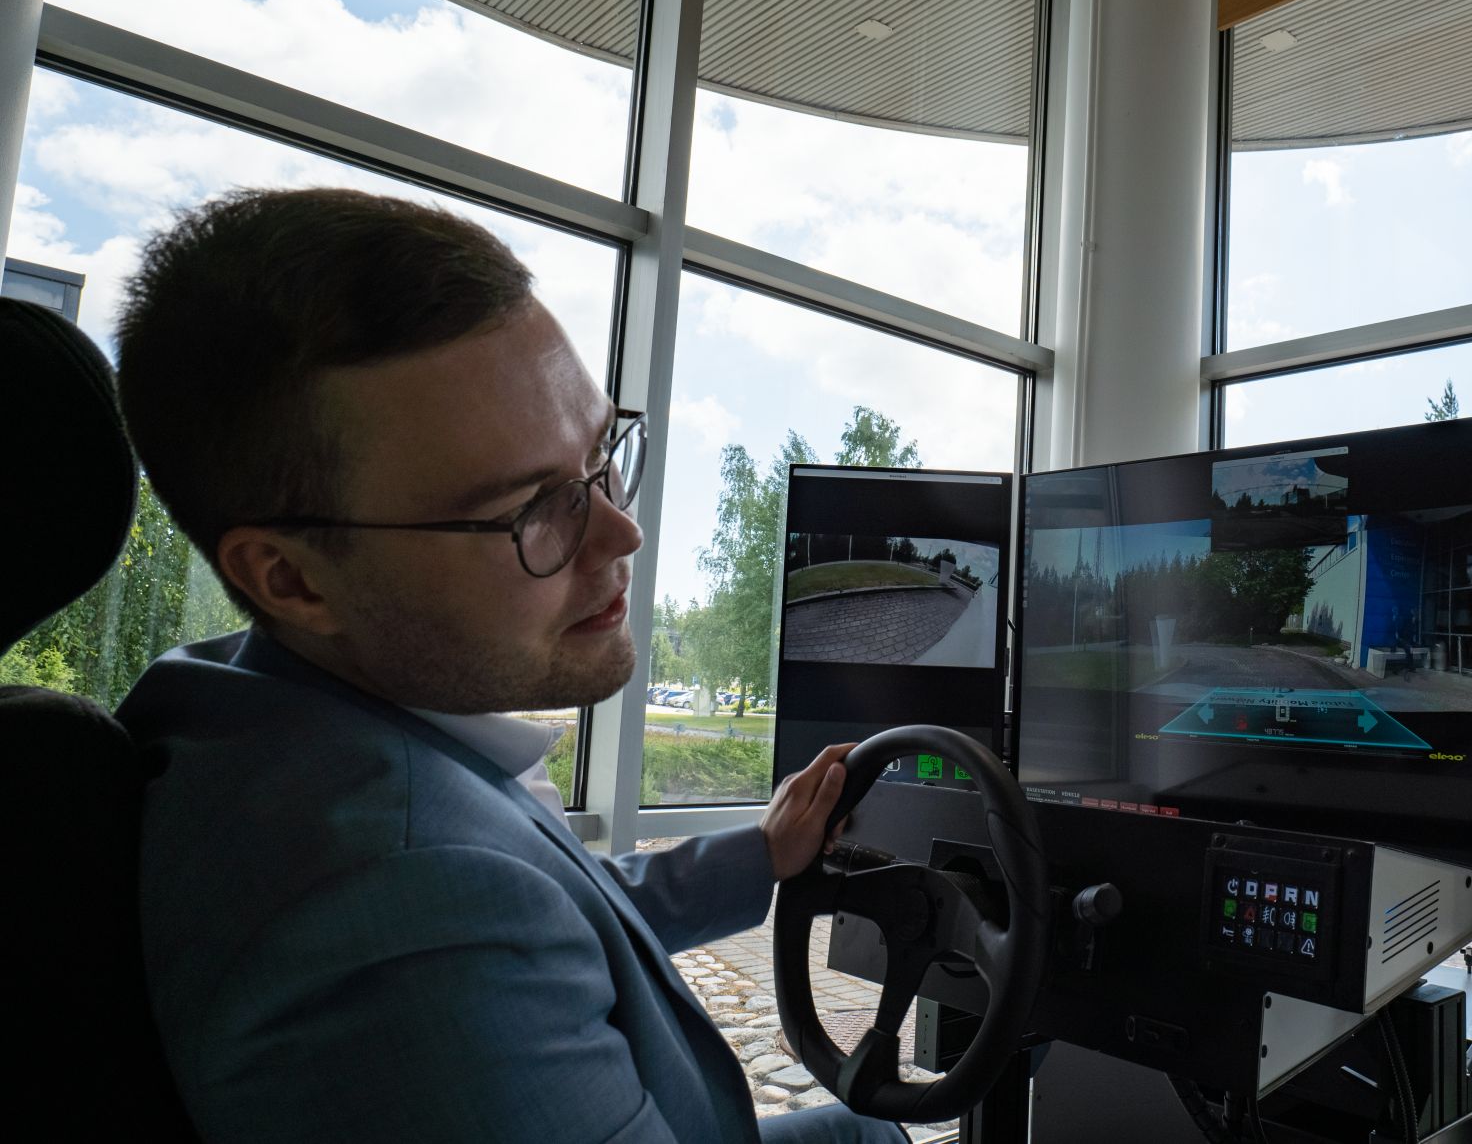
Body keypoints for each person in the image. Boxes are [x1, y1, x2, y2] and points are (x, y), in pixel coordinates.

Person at [113, 187, 906, 1144]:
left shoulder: (271, 702)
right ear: (290, 576)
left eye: (600, 454)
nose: (622, 530)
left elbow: (557, 897)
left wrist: (764, 854)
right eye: (532, 507)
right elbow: (475, 893)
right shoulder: (405, 911)